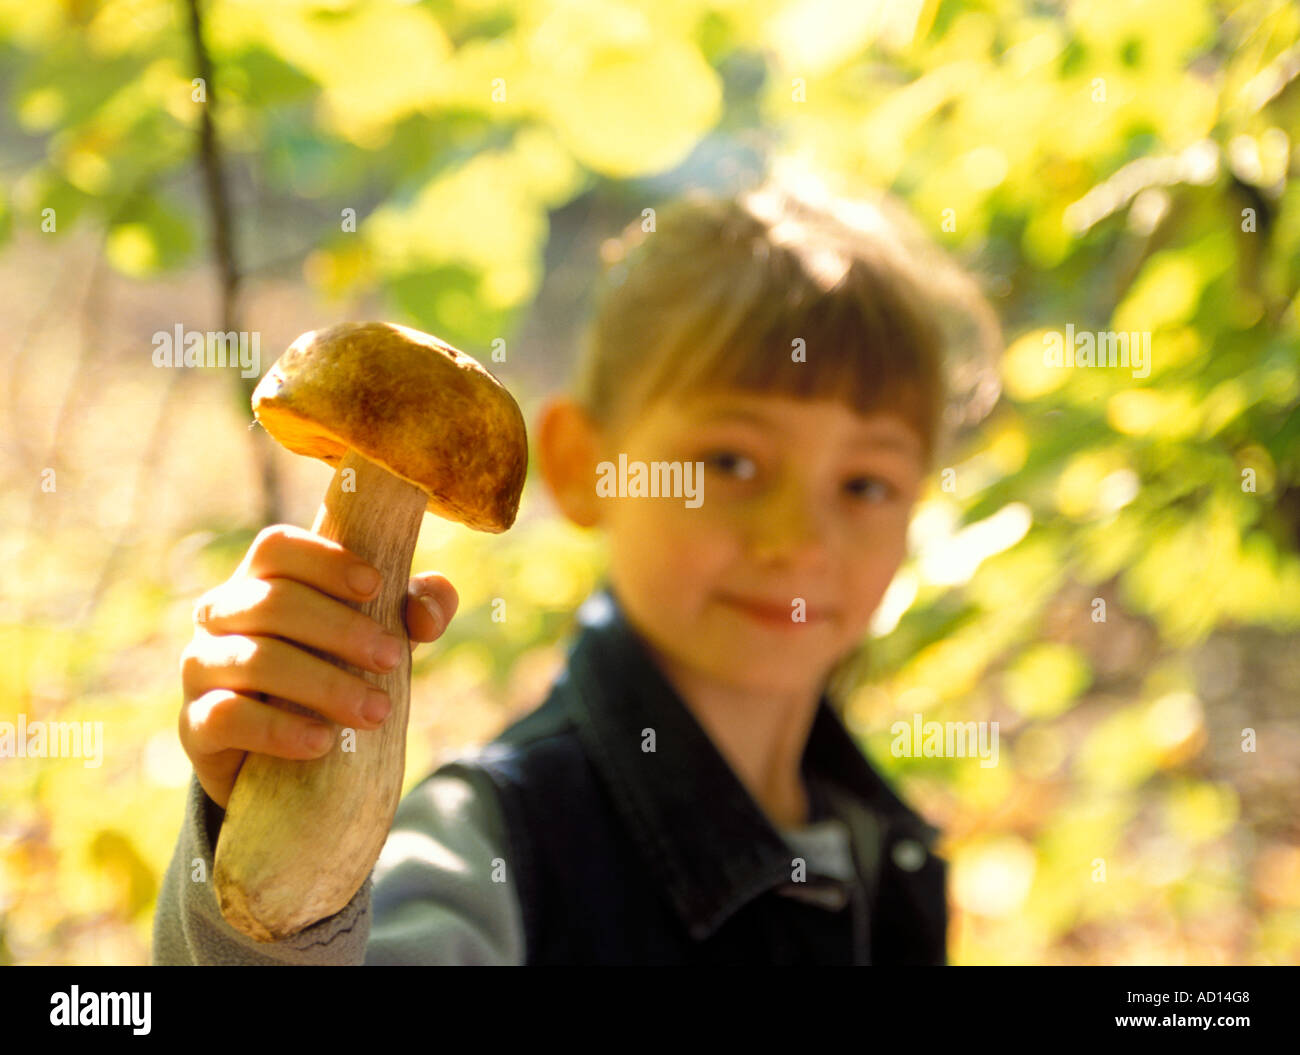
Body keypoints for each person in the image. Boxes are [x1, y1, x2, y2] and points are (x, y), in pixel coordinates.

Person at [152, 174, 998, 965]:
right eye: (731, 463)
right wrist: (271, 909)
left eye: (865, 483)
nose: (799, 540)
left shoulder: (894, 857)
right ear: (582, 464)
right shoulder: (488, 846)